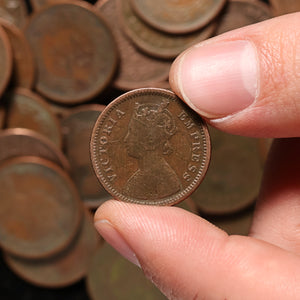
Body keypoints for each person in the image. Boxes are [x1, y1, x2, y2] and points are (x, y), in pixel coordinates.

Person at [94, 13, 300, 299]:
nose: (126, 139)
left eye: (132, 133)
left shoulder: (157, 180)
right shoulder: (143, 180)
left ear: (150, 140)